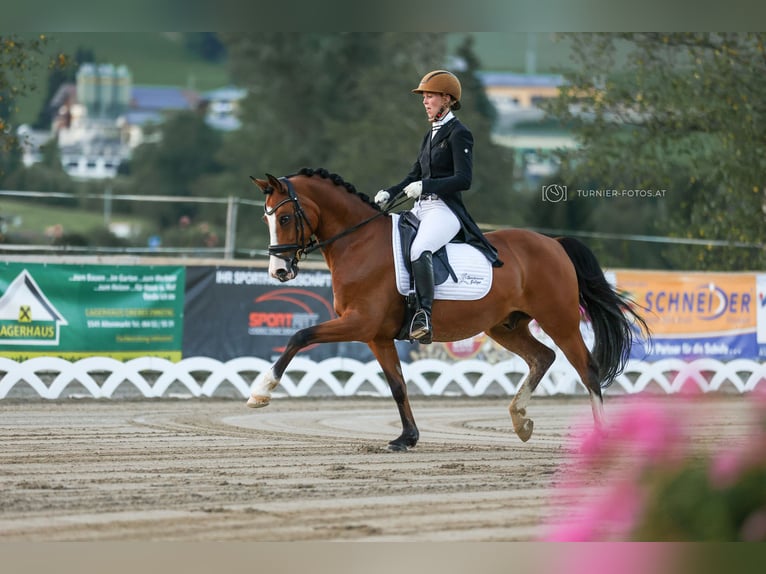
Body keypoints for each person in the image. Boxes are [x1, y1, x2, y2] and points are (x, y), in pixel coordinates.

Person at [375, 69, 503, 345]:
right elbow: (414, 175)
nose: (425, 101)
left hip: (445, 210)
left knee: (420, 249)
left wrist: (427, 186)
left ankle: (423, 316)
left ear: (447, 99)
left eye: (430, 96)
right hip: (421, 208)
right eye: (424, 96)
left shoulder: (459, 133)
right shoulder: (430, 134)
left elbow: (463, 179)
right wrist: (390, 192)